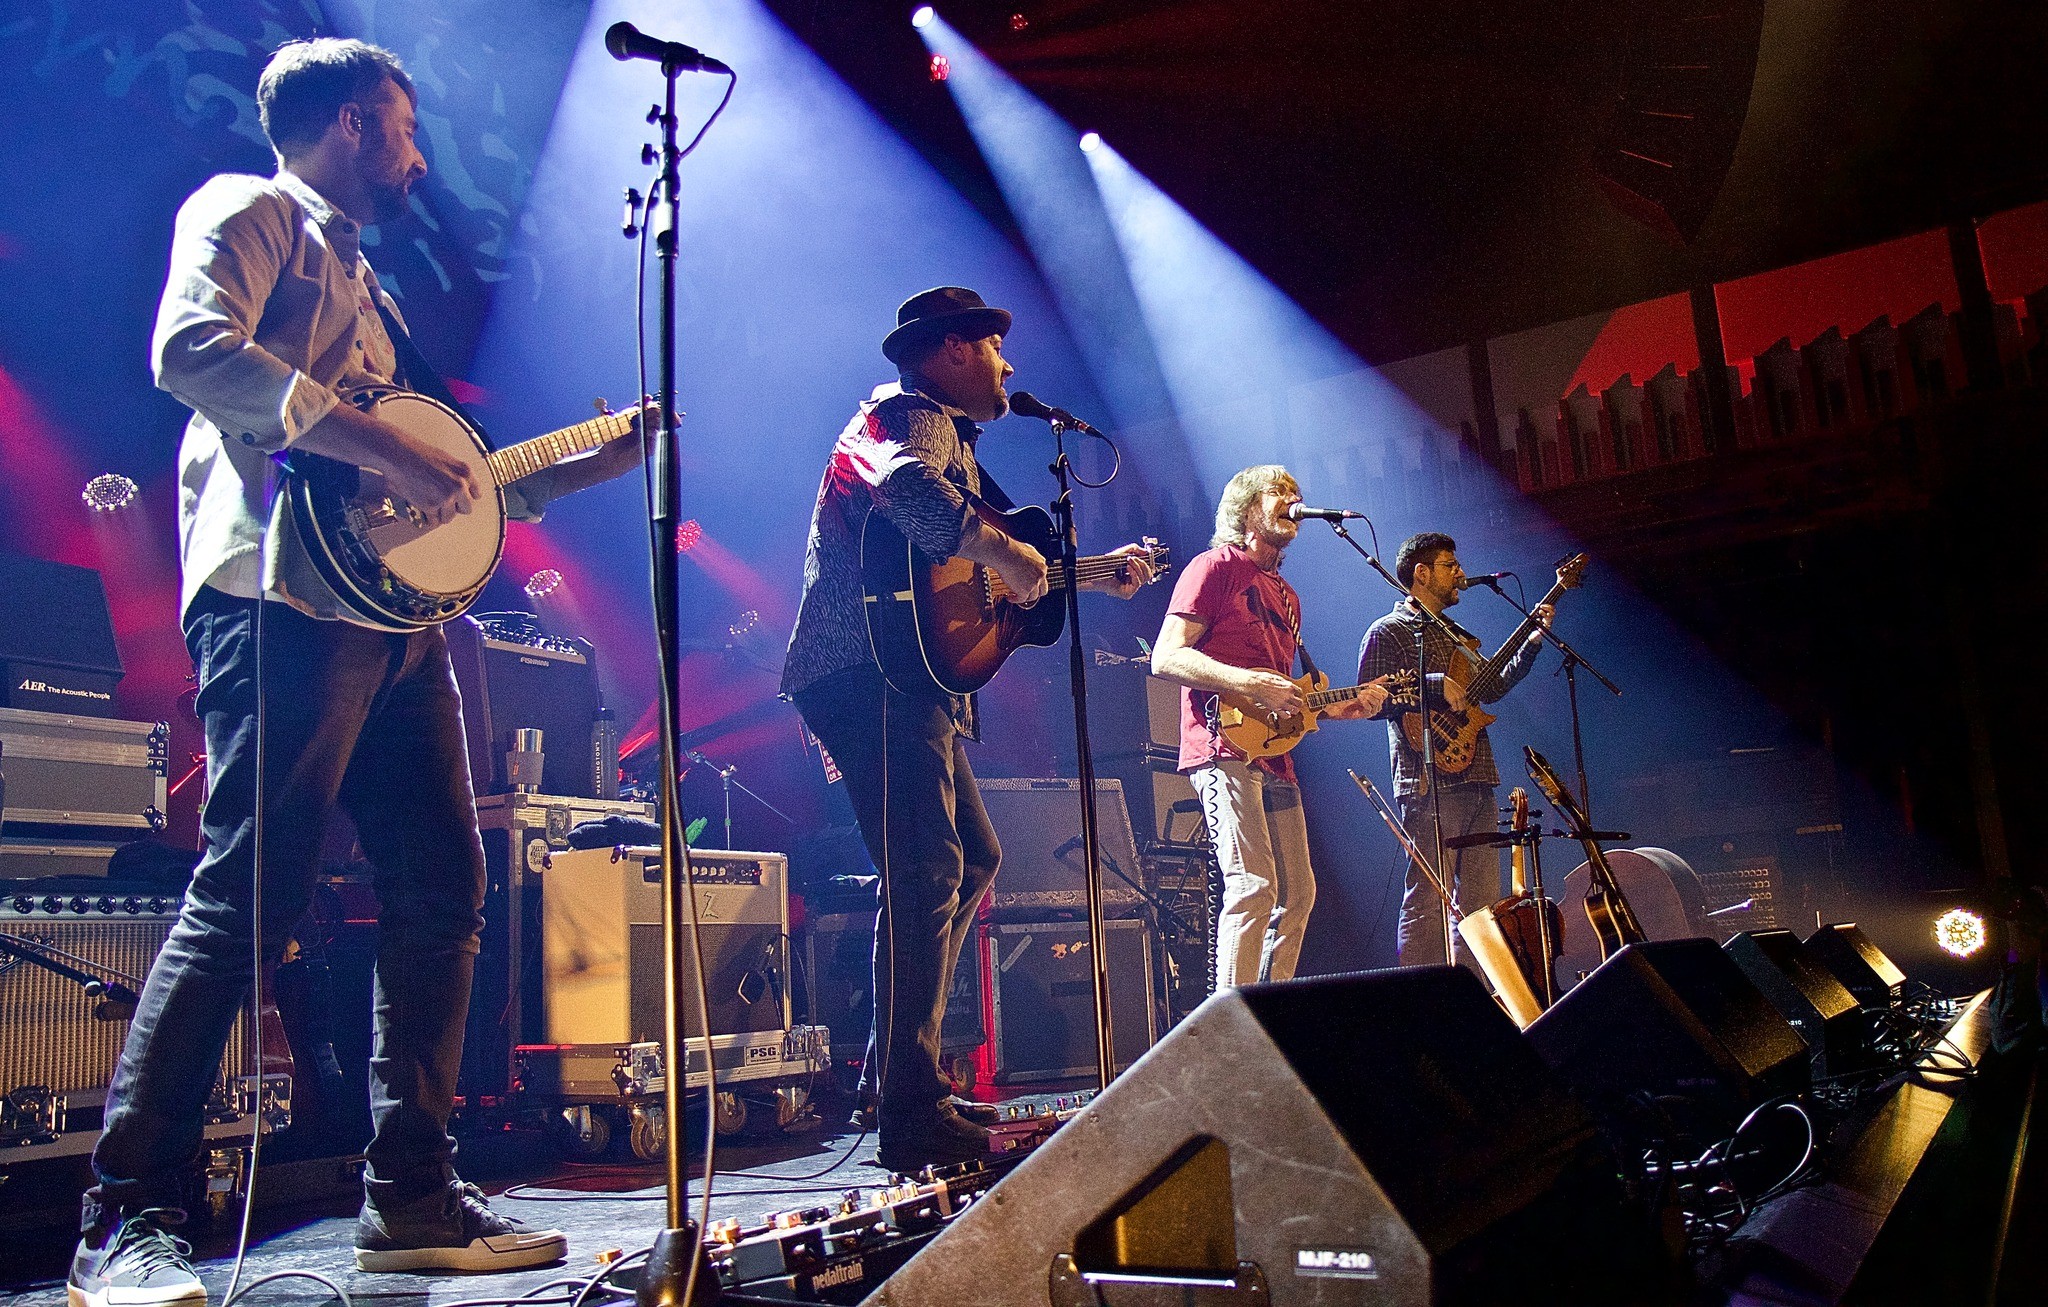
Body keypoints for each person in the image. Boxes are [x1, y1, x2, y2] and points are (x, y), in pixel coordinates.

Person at [71, 39, 642, 1307]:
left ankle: (412, 1200)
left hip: (391, 621)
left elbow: (447, 476)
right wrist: (368, 439)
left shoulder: (366, 282)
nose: (421, 155)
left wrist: (589, 460)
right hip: (274, 601)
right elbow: (188, 349)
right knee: (248, 897)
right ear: (343, 123)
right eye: (402, 127)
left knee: (443, 884)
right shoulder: (250, 206)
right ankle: (126, 1216)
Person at [781, 287, 1154, 1173]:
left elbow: (990, 572)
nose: (1010, 364)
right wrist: (1002, 552)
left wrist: (1090, 577)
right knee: (926, 867)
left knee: (971, 859)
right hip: (866, 671)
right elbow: (906, 489)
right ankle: (908, 1107)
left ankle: (896, 1070)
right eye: (994, 346)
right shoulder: (908, 414)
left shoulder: (949, 433)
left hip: (905, 678)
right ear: (950, 351)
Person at [1149, 466, 1385, 990]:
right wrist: (1250, 684)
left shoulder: (1289, 597)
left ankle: (1267, 1012)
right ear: (1246, 509)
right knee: (1253, 884)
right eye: (1278, 491)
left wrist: (1343, 706)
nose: (1293, 498)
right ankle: (1229, 1026)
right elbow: (1166, 658)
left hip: (1276, 753)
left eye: (1296, 492)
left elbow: (1292, 700)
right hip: (1223, 744)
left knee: (1298, 894)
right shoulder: (1214, 567)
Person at [1356, 532, 1551, 968]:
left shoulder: (1459, 636)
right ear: (1421, 574)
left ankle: (1476, 998)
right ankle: (1422, 999)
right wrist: (1432, 686)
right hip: (1427, 781)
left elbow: (1493, 687)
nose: (1460, 573)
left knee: (1481, 905)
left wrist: (1533, 643)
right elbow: (1368, 701)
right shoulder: (1388, 631)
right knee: (1429, 896)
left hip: (1478, 772)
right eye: (1450, 565)